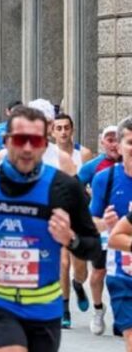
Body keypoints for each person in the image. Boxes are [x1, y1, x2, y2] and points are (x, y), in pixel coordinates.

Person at [0, 105, 103, 352]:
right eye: (20, 139)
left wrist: (70, 239)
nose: (27, 148)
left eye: (35, 140)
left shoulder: (64, 187)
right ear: (6, 142)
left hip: (45, 305)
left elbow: (92, 246)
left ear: (45, 145)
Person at [80, 125, 123, 335]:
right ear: (102, 142)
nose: (114, 144)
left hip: (127, 234)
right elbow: (75, 186)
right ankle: (98, 309)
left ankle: (121, 317)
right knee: (98, 274)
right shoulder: (96, 169)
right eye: (110, 139)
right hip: (105, 231)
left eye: (118, 139)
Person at [92, 118, 132, 341]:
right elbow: (90, 222)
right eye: (131, 142)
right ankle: (98, 309)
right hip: (122, 271)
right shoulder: (105, 179)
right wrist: (106, 225)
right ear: (118, 145)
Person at [53, 113, 90, 328]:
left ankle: (78, 285)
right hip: (57, 216)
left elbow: (87, 184)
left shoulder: (83, 153)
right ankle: (64, 310)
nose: (63, 132)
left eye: (66, 127)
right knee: (63, 263)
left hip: (78, 216)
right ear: (52, 132)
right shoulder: (49, 155)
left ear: (72, 130)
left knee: (80, 268)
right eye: (58, 128)